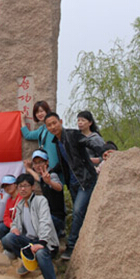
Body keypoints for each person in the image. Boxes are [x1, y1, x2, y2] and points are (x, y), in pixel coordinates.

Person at [44, 112, 97, 261]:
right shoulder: (57, 141)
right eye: (49, 125)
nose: (53, 127)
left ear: (60, 121)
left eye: (54, 123)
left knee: (78, 212)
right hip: (72, 184)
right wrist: (49, 171)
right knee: (82, 214)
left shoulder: (73, 135)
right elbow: (64, 163)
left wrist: (105, 150)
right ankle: (84, 244)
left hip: (85, 181)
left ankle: (71, 246)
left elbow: (89, 143)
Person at [1, 174, 60, 279]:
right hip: (30, 241)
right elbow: (15, 222)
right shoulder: (20, 204)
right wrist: (14, 228)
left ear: (33, 187)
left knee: (40, 253)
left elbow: (45, 222)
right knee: (8, 238)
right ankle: (30, 259)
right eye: (20, 186)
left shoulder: (40, 201)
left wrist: (42, 242)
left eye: (26, 186)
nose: (23, 189)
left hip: (46, 242)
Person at [23, 150, 66, 237]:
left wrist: (50, 182)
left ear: (47, 162)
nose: (37, 165)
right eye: (35, 163)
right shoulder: (43, 177)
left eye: (40, 162)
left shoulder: (52, 175)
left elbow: (59, 187)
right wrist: (28, 169)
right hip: (48, 218)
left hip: (55, 219)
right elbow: (37, 177)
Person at [21, 101, 60, 170]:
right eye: (37, 112)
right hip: (45, 165)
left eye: (41, 111)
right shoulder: (41, 129)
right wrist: (22, 120)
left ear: (47, 111)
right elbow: (27, 135)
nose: (39, 114)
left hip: (56, 165)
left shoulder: (54, 128)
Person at [0, 175, 22, 258]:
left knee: (7, 238)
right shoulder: (9, 200)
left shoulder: (22, 197)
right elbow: (6, 216)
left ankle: (21, 254)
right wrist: (11, 225)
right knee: (0, 228)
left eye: (9, 185)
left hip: (22, 227)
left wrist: (16, 226)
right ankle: (10, 251)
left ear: (15, 184)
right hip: (13, 226)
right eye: (5, 186)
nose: (7, 188)